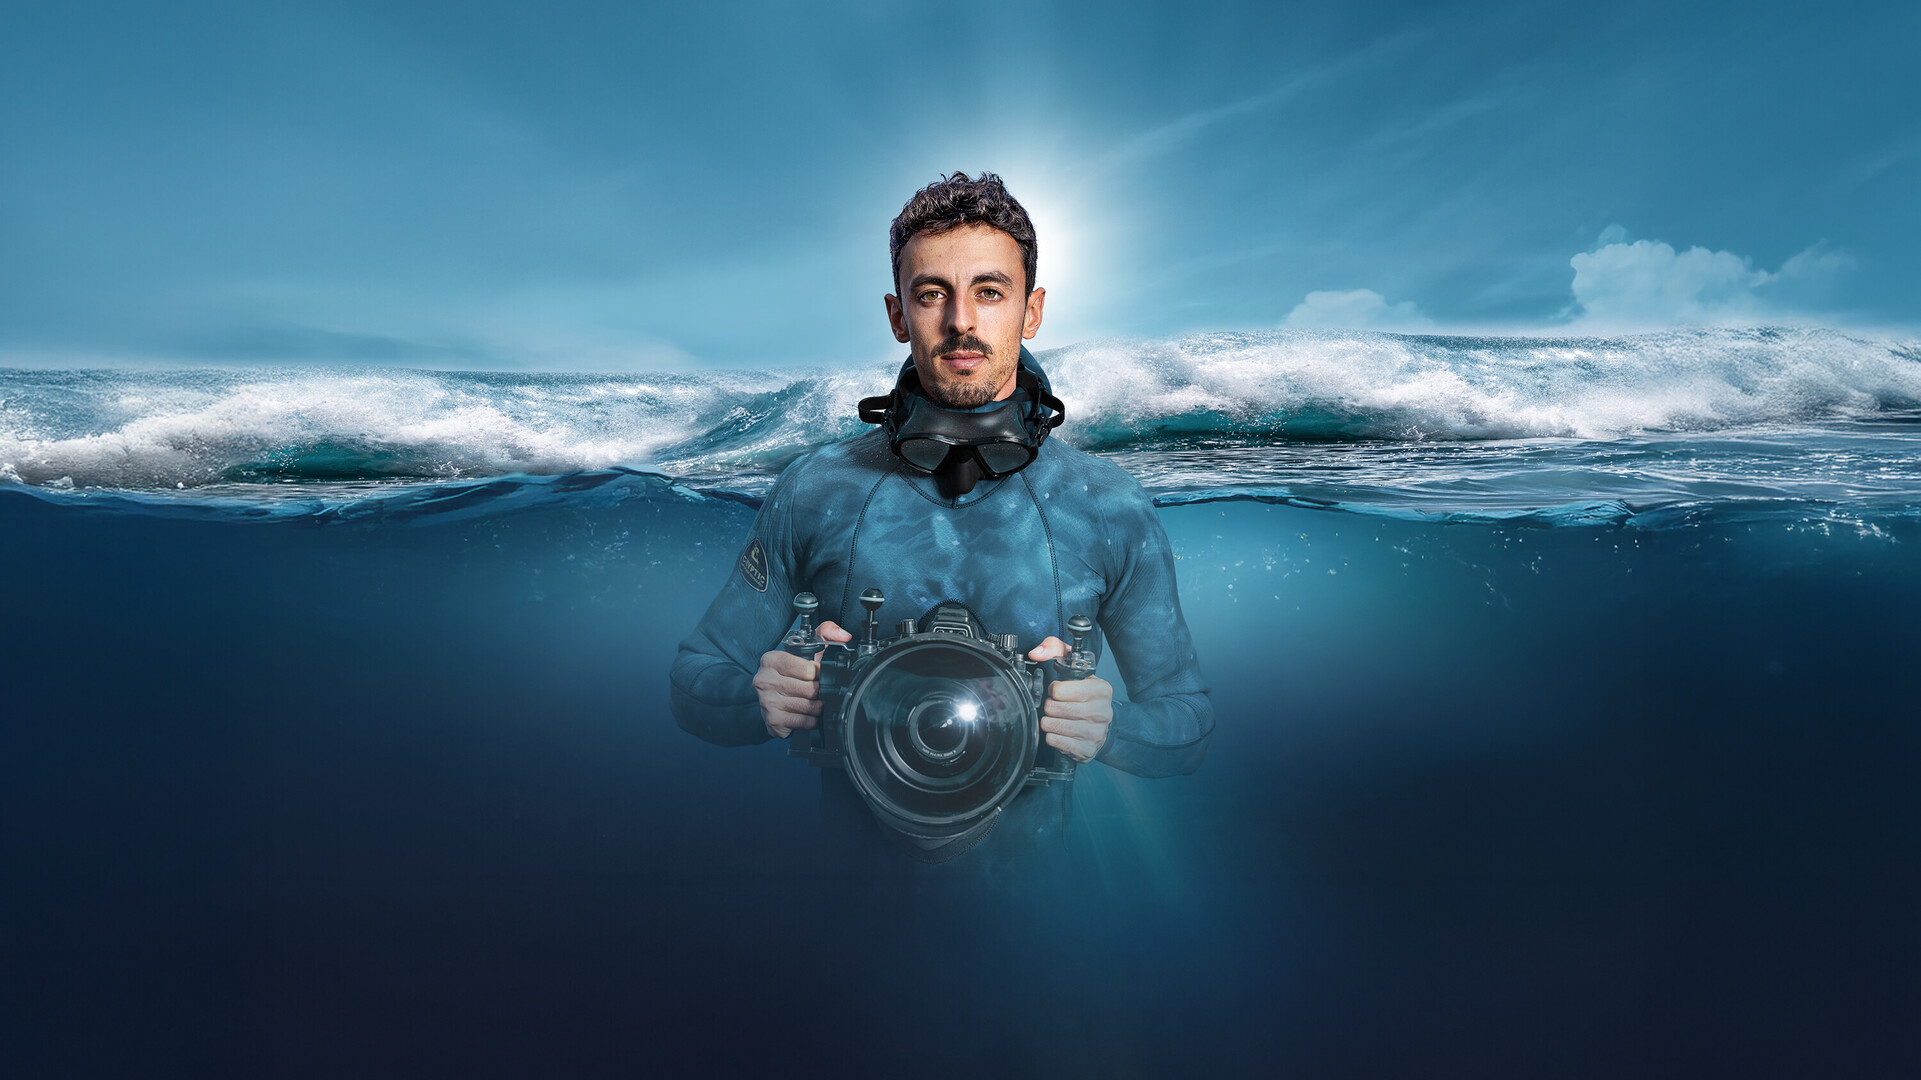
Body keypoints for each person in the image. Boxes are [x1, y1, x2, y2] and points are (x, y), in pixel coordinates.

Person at [669, 172, 1211, 868]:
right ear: (898, 315)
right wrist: (763, 698)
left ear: (1031, 309)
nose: (962, 320)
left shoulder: (1108, 504)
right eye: (933, 294)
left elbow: (1186, 723)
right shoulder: (814, 489)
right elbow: (694, 680)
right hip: (847, 895)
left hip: (1036, 903)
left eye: (990, 291)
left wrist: (1108, 728)